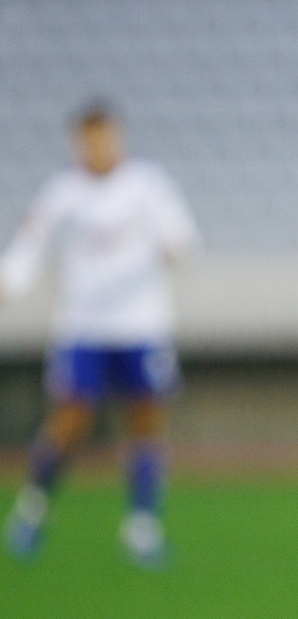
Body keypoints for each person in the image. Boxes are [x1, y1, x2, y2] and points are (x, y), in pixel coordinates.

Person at [2, 101, 198, 569]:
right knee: (71, 420)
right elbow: (28, 248)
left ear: (118, 137)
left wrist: (174, 248)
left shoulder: (148, 186)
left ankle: (142, 527)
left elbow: (183, 237)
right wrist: (9, 282)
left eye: (105, 137)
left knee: (146, 420)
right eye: (88, 139)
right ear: (77, 143)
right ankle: (33, 509)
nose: (98, 147)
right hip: (83, 326)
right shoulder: (63, 194)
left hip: (141, 324)